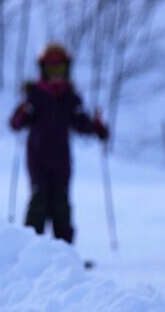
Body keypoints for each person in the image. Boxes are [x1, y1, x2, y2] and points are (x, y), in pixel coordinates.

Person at [8, 42, 109, 244]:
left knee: (61, 204)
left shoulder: (70, 98)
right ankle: (29, 250)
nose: (56, 73)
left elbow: (82, 124)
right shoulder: (35, 95)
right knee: (39, 201)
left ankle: (65, 255)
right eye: (51, 68)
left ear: (66, 69)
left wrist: (97, 128)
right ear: (43, 69)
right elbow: (16, 124)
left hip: (61, 159)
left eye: (60, 68)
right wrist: (22, 112)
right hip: (37, 158)